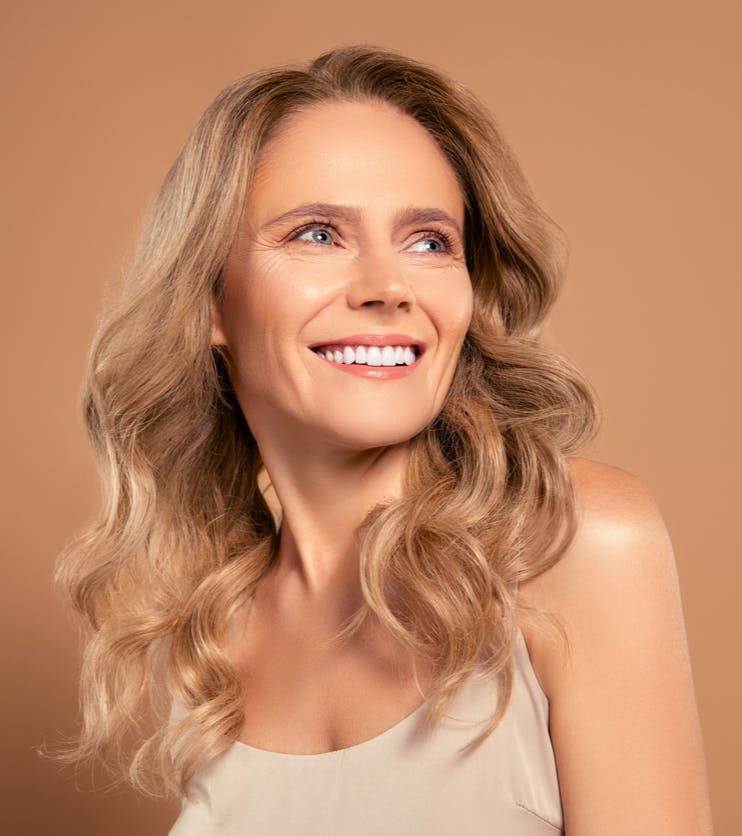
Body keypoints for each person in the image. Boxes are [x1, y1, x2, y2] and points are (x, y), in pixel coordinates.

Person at [55, 45, 712, 834]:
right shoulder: (207, 642)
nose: (388, 288)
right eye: (317, 234)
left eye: (429, 241)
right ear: (209, 304)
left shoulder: (574, 543)